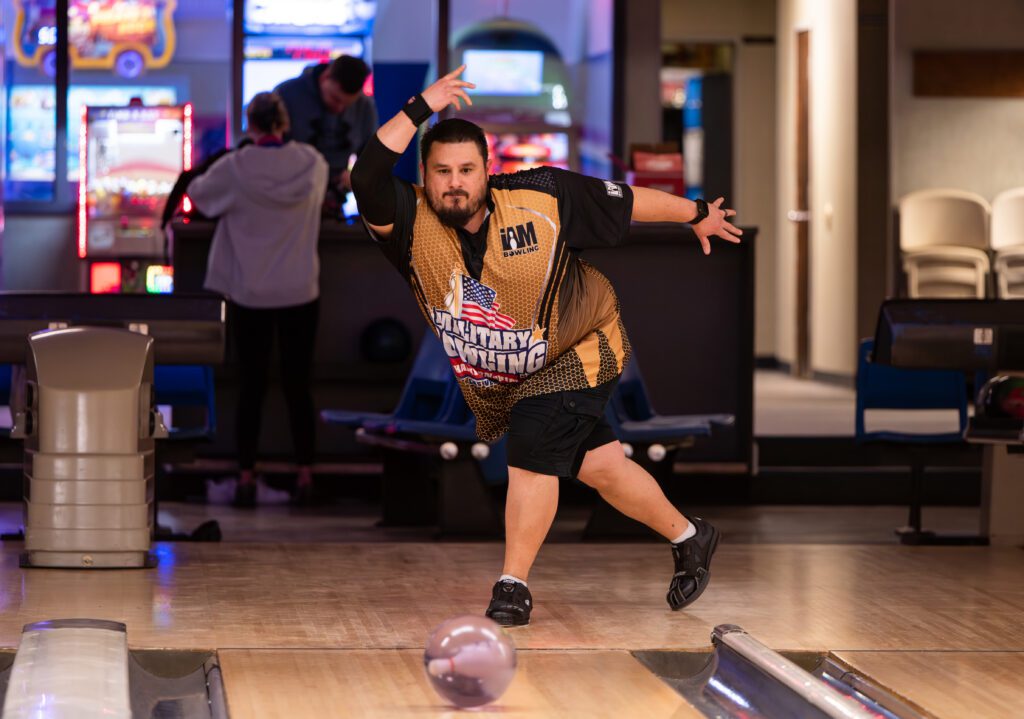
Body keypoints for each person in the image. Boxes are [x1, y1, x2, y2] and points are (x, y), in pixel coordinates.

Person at [350, 67, 742, 626]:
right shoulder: (407, 220)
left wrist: (697, 213)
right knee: (599, 466)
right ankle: (690, 535)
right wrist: (420, 106)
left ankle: (513, 586)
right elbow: (366, 174)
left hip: (582, 345)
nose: (455, 183)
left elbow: (627, 202)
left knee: (534, 444)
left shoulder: (543, 196)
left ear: (489, 171)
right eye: (442, 172)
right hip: (510, 374)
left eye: (466, 170)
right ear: (424, 175)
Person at [187, 92, 329, 507]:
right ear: (284, 123)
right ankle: (306, 476)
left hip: (248, 293)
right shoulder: (314, 164)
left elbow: (198, 195)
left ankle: (246, 477)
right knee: (299, 386)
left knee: (250, 387)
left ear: (250, 125)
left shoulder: (235, 167)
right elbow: (323, 200)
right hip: (300, 289)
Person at [274, 55, 378, 196]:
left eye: (347, 105)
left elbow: (373, 157)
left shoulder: (365, 106)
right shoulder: (286, 95)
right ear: (325, 77)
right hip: (289, 192)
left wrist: (357, 177)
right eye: (335, 99)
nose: (339, 109)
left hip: (335, 196)